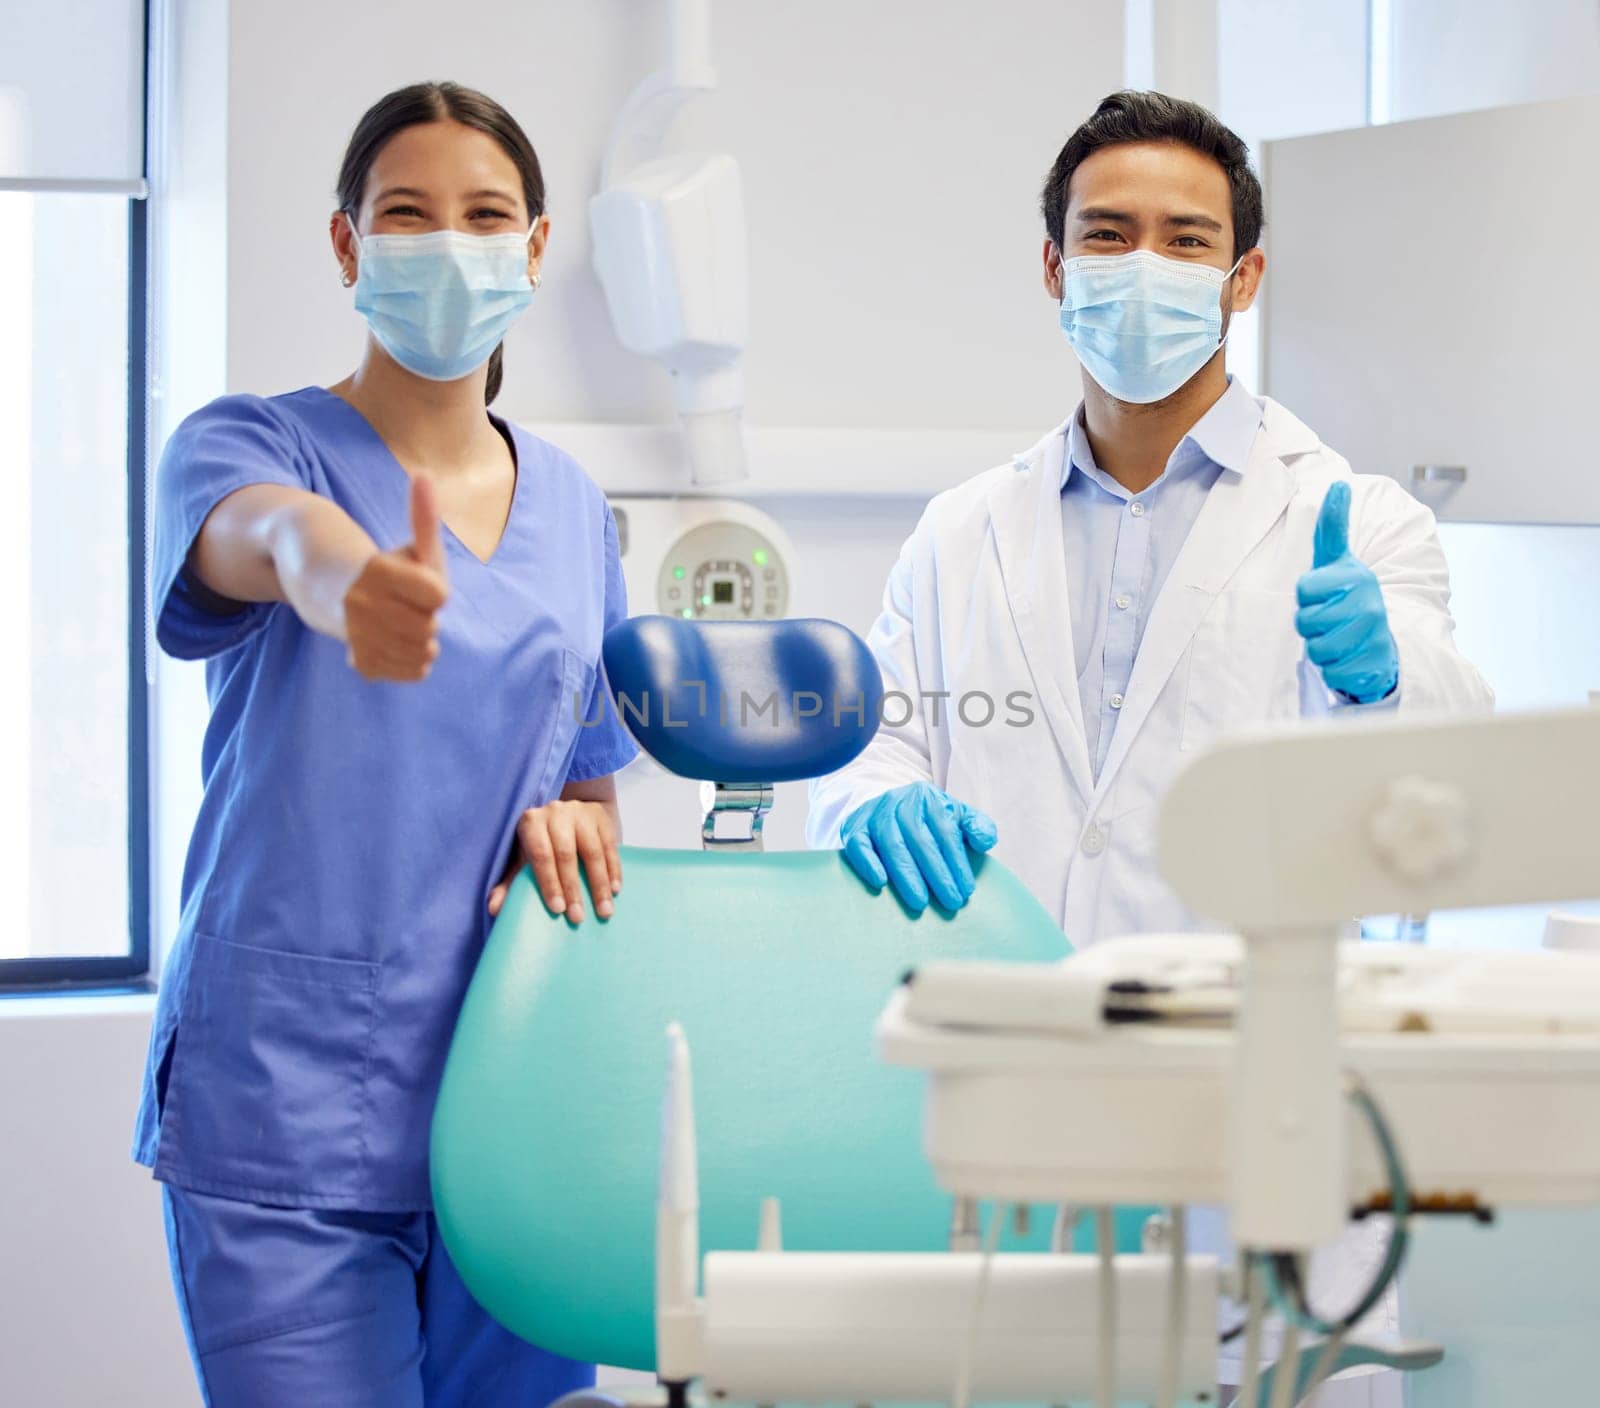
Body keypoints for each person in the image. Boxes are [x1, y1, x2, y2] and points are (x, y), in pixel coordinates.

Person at [132, 82, 639, 1407]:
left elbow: (584, 800)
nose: (448, 244)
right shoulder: (259, 442)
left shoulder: (580, 512)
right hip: (285, 1110)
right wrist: (341, 574)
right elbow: (267, 535)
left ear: (534, 250)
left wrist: (581, 829)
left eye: (484, 215)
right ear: (349, 245)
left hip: (516, 1110)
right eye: (407, 215)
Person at [808, 89, 1492, 938]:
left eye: (1186, 241)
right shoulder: (959, 532)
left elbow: (1455, 772)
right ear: (1056, 268)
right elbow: (873, 750)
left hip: (1243, 1026)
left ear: (1242, 279)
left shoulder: (1363, 523)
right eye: (1107, 234)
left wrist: (1384, 679)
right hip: (1004, 1013)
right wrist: (871, 803)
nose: (1143, 264)